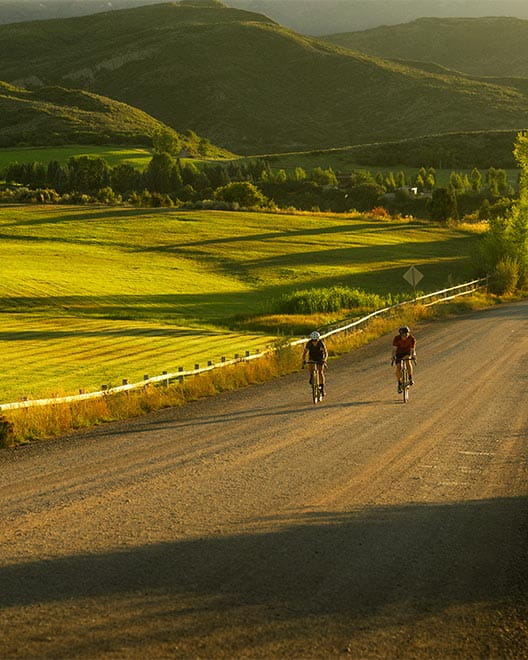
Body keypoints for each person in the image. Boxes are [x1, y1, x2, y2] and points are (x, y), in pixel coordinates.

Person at [391, 325, 416, 393]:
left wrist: (413, 356)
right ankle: (399, 383)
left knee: (408, 360)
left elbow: (412, 350)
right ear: (400, 334)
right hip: (399, 353)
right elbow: (394, 349)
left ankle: (410, 378)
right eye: (403, 335)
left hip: (407, 353)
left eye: (407, 334)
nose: (405, 336)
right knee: (399, 367)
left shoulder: (412, 339)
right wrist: (393, 356)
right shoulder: (396, 339)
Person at [302, 331, 328, 396]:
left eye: (316, 340)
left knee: (320, 372)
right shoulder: (309, 344)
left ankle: (322, 388)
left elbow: (325, 353)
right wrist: (303, 360)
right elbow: (305, 353)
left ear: (318, 339)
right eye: (313, 340)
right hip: (312, 357)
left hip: (320, 358)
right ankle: (311, 376)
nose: (314, 342)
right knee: (310, 366)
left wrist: (324, 360)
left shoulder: (321, 343)